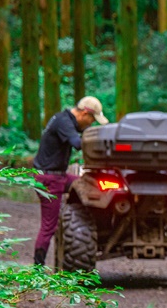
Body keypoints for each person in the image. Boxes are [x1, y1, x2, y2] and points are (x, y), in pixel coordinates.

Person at [32, 96, 109, 266]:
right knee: (48, 226)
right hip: (50, 179)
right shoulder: (64, 123)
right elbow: (77, 143)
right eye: (91, 120)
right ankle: (37, 268)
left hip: (56, 175)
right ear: (84, 113)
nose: (90, 124)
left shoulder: (64, 120)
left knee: (87, 183)